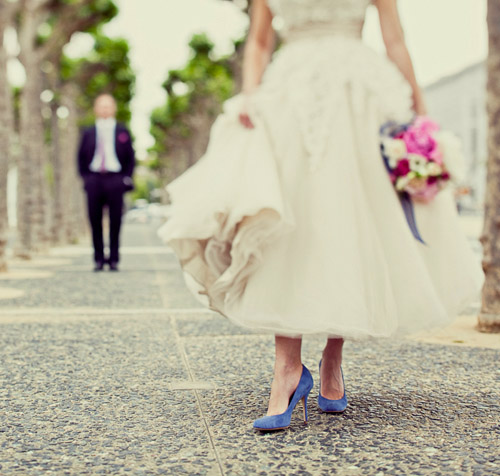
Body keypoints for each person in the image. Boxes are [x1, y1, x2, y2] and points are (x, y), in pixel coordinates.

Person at [159, 0, 483, 431]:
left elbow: (395, 40)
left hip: (359, 96)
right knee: (289, 225)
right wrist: (251, 95)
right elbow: (258, 41)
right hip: (289, 96)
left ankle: (333, 359)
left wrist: (421, 114)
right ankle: (286, 370)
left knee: (348, 222)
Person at [78, 94, 135, 272]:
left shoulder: (122, 130)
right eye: (101, 106)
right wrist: (86, 178)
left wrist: (126, 177)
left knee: (116, 220)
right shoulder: (88, 131)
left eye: (108, 106)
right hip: (94, 179)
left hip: (115, 179)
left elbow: (130, 156)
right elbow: (80, 156)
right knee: (94, 220)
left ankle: (114, 259)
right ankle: (98, 259)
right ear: (96, 109)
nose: (104, 109)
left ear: (113, 108)